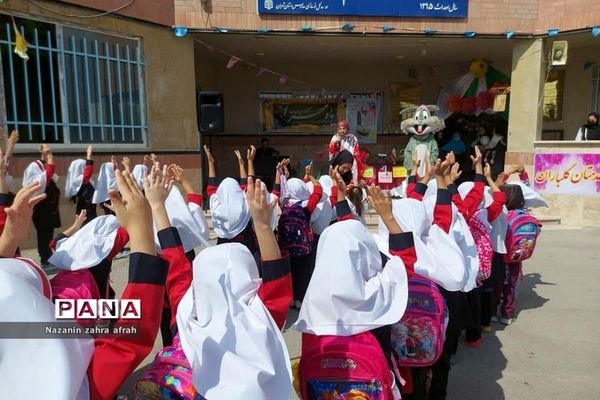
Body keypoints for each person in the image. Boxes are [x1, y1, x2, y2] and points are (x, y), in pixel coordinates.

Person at [0, 171, 169, 400]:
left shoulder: (72, 249)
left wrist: (9, 239)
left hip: (75, 305)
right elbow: (129, 338)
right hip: (80, 310)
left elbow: (56, 242)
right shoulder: (77, 385)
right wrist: (149, 213)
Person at [23, 144, 61, 268]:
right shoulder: (37, 176)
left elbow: (45, 169)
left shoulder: (40, 173)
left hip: (49, 211)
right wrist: (50, 155)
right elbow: (48, 172)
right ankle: (45, 259)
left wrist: (44, 154)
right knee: (44, 236)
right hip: (42, 212)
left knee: (47, 235)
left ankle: (47, 256)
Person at [65, 145, 97, 224]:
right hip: (87, 213)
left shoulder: (78, 182)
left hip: (85, 211)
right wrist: (89, 155)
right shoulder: (80, 181)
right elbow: (88, 171)